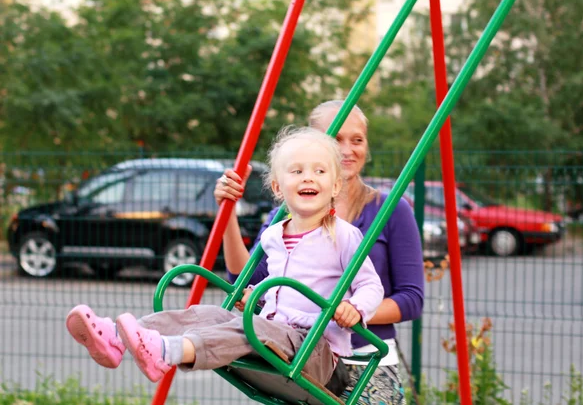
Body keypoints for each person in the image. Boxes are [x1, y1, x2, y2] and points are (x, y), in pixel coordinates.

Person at [65, 127, 384, 388]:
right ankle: (117, 338)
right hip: (277, 335)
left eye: (319, 171)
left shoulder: (341, 235)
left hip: (319, 352)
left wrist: (354, 308)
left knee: (251, 329)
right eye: (297, 171)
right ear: (277, 186)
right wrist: (259, 300)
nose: (308, 178)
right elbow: (280, 289)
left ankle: (167, 351)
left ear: (335, 185)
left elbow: (371, 286)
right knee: (207, 313)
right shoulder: (273, 235)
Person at [215, 100, 424, 404]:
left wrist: (343, 311)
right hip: (300, 356)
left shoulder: (390, 210)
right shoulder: (288, 217)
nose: (348, 149)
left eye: (358, 139)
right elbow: (243, 276)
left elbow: (411, 299)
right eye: (337, 138)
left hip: (365, 361)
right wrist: (228, 215)